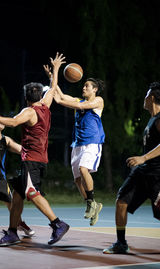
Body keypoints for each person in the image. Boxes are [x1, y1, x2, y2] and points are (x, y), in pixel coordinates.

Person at [0, 52, 70, 247]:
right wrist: (55, 70)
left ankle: (57, 223)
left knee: (30, 191)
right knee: (18, 195)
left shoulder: (29, 111)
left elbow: (12, 122)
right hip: (39, 158)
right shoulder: (46, 105)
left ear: (27, 98)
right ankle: (12, 233)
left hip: (32, 159)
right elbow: (53, 88)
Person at [44, 64, 105, 226]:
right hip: (77, 144)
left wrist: (64, 100)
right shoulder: (78, 100)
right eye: (84, 85)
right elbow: (59, 97)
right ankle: (93, 205)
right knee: (77, 180)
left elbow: (78, 105)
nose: (83, 88)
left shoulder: (98, 101)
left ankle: (91, 202)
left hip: (92, 142)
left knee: (84, 169)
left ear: (95, 89)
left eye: (87, 86)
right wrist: (53, 76)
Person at [103, 82, 160, 254]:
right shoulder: (152, 119)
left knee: (159, 213)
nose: (143, 98)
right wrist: (143, 160)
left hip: (157, 173)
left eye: (146, 95)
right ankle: (121, 243)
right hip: (144, 171)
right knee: (121, 200)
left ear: (151, 98)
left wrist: (143, 157)